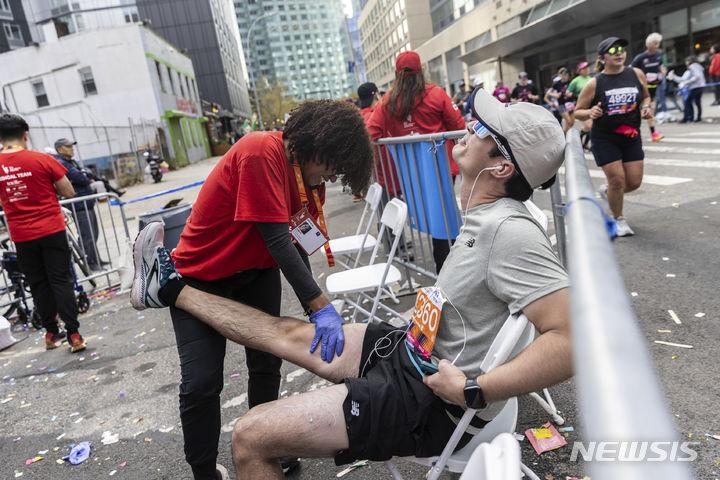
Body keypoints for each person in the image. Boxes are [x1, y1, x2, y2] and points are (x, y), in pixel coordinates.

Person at [130, 86, 571, 479]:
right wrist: (330, 307)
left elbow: (573, 339)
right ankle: (172, 288)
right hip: (411, 349)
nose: (464, 129)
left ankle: (167, 288)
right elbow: (283, 240)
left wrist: (476, 389)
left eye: (479, 129)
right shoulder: (483, 218)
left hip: (429, 393)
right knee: (279, 334)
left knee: (248, 433)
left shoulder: (508, 231)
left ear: (500, 167)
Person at [131, 100, 373, 480]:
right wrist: (320, 305)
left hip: (255, 272)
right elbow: (277, 239)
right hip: (200, 277)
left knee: (265, 365)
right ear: (316, 144)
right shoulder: (261, 151)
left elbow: (298, 242)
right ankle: (202, 471)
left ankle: (266, 447)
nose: (329, 176)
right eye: (331, 165)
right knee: (201, 383)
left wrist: (316, 308)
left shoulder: (309, 181)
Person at [367, 50, 466, 273]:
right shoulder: (437, 94)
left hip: (409, 173)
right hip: (440, 168)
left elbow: (370, 133)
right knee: (442, 215)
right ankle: (445, 268)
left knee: (430, 214)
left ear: (396, 74)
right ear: (421, 71)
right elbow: (458, 126)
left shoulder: (387, 102)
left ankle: (443, 268)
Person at [0, 114, 86, 352]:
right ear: (25, 135)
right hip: (51, 229)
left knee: (38, 284)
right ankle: (74, 335)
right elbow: (68, 192)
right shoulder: (42, 158)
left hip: (21, 235)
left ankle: (50, 334)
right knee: (61, 280)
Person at [575, 36, 653, 237]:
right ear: (602, 58)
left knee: (634, 182)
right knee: (617, 180)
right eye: (612, 51)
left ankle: (608, 192)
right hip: (605, 138)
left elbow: (645, 96)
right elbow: (578, 111)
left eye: (621, 49)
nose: (618, 53)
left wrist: (645, 107)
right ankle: (618, 219)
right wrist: (590, 113)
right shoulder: (595, 83)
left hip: (631, 135)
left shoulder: (636, 74)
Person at [53, 138, 107, 271]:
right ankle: (90, 263)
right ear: (60, 149)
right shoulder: (61, 163)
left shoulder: (70, 161)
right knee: (87, 235)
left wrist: (85, 173)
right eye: (68, 146)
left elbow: (86, 174)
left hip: (86, 203)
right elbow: (81, 178)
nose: (72, 148)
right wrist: (84, 174)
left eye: (72, 145)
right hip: (79, 205)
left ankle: (96, 259)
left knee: (93, 233)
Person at [630, 32, 666, 142]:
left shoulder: (659, 55)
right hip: (641, 88)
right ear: (648, 44)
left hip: (654, 86)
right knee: (643, 110)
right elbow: (631, 71)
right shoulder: (640, 58)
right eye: (655, 43)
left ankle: (653, 133)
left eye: (658, 43)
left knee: (650, 110)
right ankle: (651, 133)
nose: (657, 46)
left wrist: (662, 72)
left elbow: (660, 66)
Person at [670, 56, 707, 123]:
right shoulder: (698, 66)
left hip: (695, 86)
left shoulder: (692, 66)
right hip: (700, 86)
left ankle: (688, 117)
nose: (686, 63)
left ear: (690, 61)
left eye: (687, 61)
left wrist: (687, 83)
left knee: (687, 102)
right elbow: (684, 79)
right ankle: (697, 118)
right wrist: (675, 77)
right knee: (697, 102)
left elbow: (696, 77)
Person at [567, 61, 594, 148]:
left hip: (592, 105)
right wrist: (571, 94)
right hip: (581, 106)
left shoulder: (592, 79)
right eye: (584, 68)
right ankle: (579, 140)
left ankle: (585, 144)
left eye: (588, 68)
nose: (587, 70)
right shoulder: (575, 81)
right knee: (588, 126)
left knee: (590, 127)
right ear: (579, 71)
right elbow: (568, 92)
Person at [549, 67, 575, 133]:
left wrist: (572, 93)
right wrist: (556, 95)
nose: (565, 76)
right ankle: (565, 137)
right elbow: (550, 93)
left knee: (571, 123)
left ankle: (564, 134)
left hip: (570, 104)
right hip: (562, 104)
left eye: (566, 75)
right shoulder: (557, 84)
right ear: (560, 75)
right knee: (568, 121)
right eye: (563, 75)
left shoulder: (571, 82)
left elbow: (575, 90)